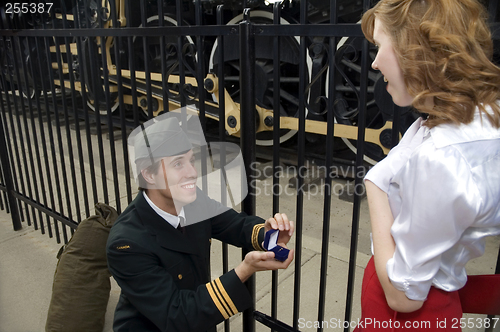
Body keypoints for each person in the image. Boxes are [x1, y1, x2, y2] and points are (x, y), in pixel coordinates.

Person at [356, 0, 500, 330]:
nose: (375, 63)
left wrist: (374, 185)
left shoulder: (442, 157)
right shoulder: (466, 122)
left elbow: (403, 297)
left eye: (380, 46)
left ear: (415, 49)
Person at [106, 115, 294, 332]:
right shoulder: (126, 244)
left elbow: (235, 224)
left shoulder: (192, 201)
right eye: (178, 164)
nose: (193, 173)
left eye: (191, 160)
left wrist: (269, 234)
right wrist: (244, 269)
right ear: (149, 174)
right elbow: (176, 316)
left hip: (198, 315)